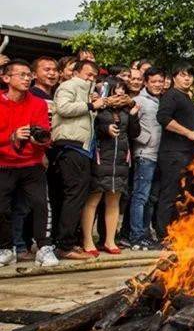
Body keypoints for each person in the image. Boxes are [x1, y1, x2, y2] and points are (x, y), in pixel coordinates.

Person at [50, 61, 122, 259]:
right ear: (75, 73)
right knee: (74, 195)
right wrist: (91, 105)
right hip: (70, 145)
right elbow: (63, 108)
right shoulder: (68, 86)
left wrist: (94, 104)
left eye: (93, 76)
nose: (90, 79)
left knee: (78, 195)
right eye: (87, 74)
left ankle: (67, 242)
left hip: (82, 148)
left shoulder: (85, 91)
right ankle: (65, 245)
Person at [0, 59, 58, 267]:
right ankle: (6, 249)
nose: (27, 79)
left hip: (31, 163)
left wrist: (38, 141)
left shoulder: (38, 103)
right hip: (4, 164)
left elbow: (45, 134)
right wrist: (13, 137)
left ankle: (44, 248)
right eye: (21, 75)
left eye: (28, 75)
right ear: (6, 78)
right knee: (2, 208)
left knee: (41, 204)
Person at [81, 80, 139, 256]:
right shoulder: (100, 107)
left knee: (114, 201)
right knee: (93, 199)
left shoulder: (127, 110)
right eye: (117, 88)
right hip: (101, 157)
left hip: (121, 160)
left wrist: (134, 115)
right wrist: (106, 129)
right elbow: (92, 128)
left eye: (123, 89)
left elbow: (134, 133)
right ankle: (88, 240)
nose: (120, 92)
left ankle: (110, 240)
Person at [155, 62, 194, 243]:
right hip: (172, 153)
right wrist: (189, 133)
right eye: (183, 75)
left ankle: (177, 234)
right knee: (169, 194)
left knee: (183, 195)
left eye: (190, 75)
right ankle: (163, 236)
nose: (187, 78)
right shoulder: (171, 95)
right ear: (174, 77)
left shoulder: (187, 97)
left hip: (187, 154)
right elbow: (163, 118)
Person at [130, 67, 164, 249]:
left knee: (151, 198)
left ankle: (146, 233)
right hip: (144, 154)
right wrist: (146, 140)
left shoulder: (163, 100)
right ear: (146, 83)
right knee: (140, 197)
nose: (157, 85)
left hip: (159, 155)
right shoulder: (138, 100)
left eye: (160, 81)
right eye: (154, 82)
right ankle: (136, 236)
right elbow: (131, 127)